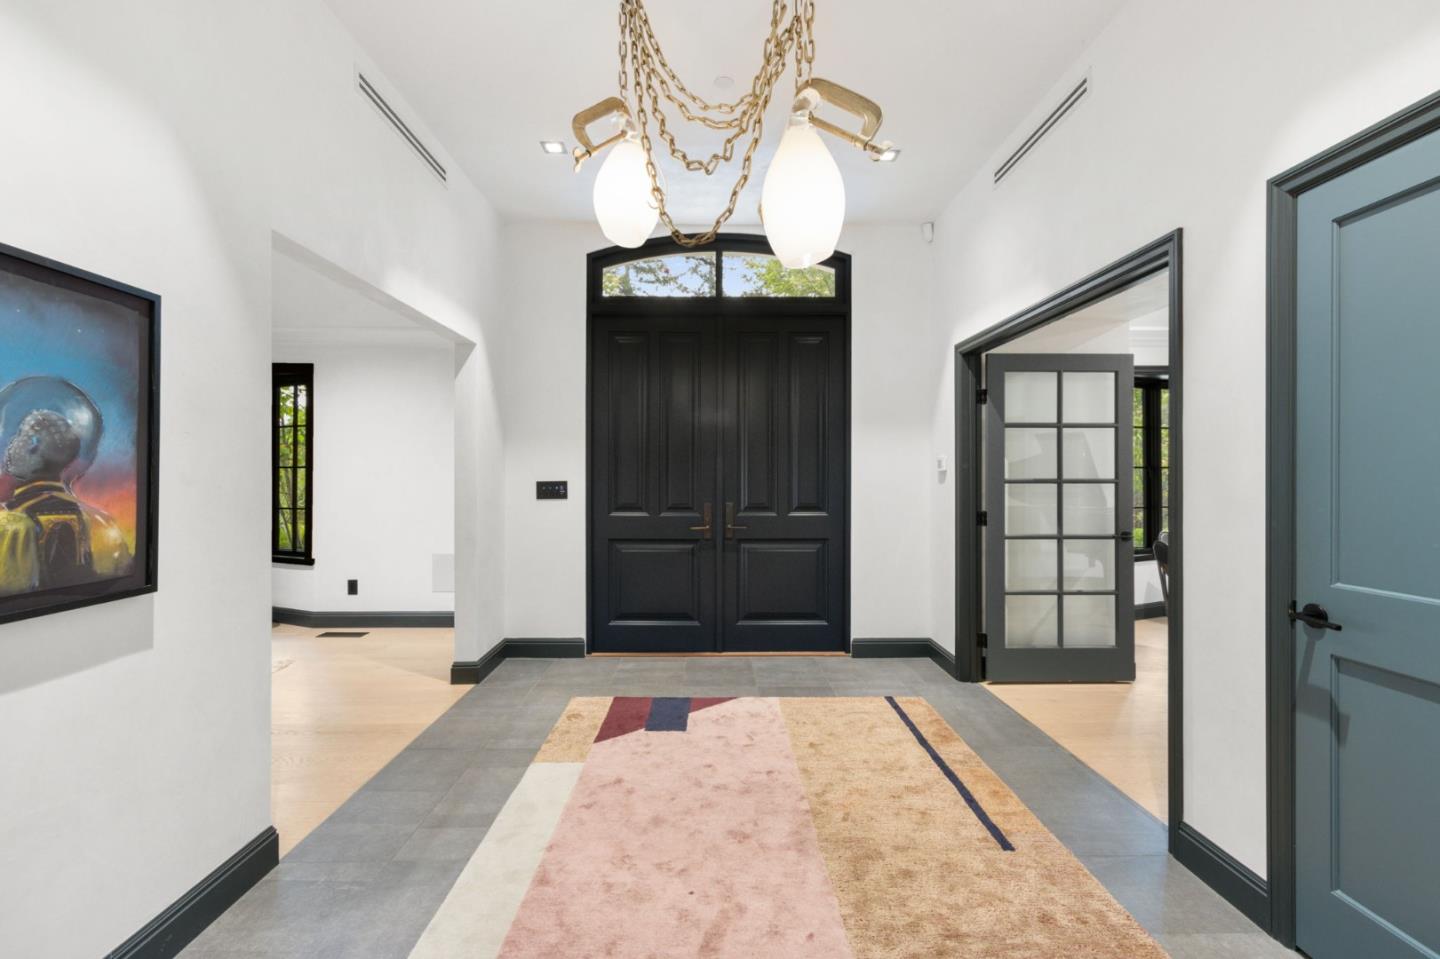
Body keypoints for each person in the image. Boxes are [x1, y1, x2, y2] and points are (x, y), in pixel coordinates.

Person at [0, 409, 132, 595]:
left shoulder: (8, 524)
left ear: (34, 446)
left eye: (20, 433)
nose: (12, 443)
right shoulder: (102, 523)